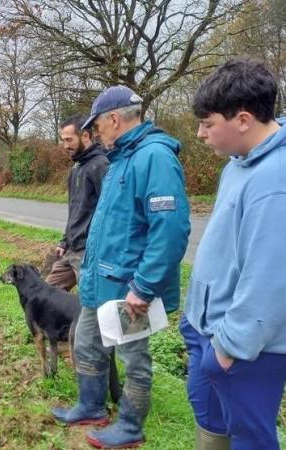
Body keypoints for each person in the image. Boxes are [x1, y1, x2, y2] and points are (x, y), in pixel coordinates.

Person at [51, 86, 190, 448]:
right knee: (86, 341)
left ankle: (130, 425)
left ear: (114, 119)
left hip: (130, 287)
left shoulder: (155, 158)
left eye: (96, 127)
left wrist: (144, 287)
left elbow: (170, 230)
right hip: (101, 281)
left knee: (133, 354)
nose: (95, 135)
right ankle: (91, 405)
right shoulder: (119, 160)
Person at [183, 58, 286, 450]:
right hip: (209, 327)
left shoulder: (276, 181)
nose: (200, 134)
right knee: (210, 417)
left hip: (248, 346)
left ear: (243, 120)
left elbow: (271, 278)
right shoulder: (238, 164)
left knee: (250, 437)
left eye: (208, 124)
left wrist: (229, 348)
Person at [45, 113, 108, 290]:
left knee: (90, 303)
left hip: (89, 252)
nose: (65, 146)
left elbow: (108, 211)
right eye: (63, 140)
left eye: (69, 140)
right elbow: (74, 212)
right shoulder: (76, 168)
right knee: (46, 296)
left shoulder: (101, 165)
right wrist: (64, 242)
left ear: (85, 136)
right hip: (71, 248)